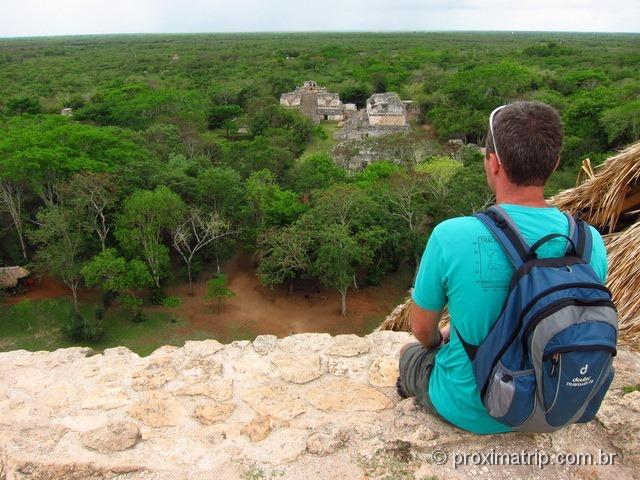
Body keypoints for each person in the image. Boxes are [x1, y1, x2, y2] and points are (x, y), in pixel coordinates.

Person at [396, 101, 608, 434]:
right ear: (553, 163)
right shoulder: (589, 241)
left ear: (494, 163)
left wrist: (446, 336)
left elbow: (422, 331)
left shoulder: (451, 235)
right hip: (552, 405)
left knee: (411, 357)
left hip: (468, 408)